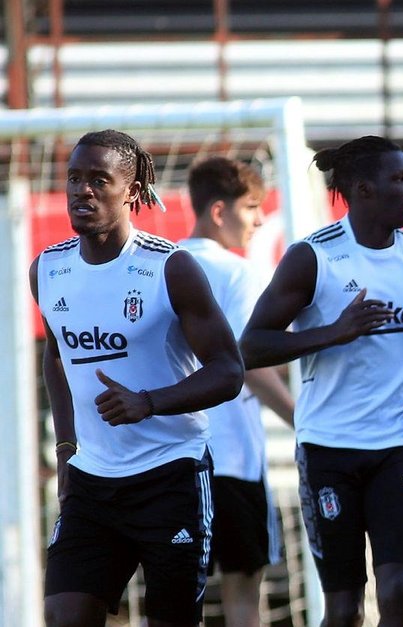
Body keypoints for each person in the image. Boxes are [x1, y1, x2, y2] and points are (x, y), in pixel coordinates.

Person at [34, 129, 244, 626]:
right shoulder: (48, 269)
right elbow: (57, 357)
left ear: (131, 191)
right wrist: (66, 451)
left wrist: (148, 402)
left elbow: (229, 371)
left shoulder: (170, 268)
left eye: (98, 180)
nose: (82, 191)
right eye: (74, 178)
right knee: (64, 615)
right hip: (92, 482)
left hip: (170, 475)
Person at [239, 136, 403, 627]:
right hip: (329, 449)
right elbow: (251, 346)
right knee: (345, 607)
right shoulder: (313, 257)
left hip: (398, 445)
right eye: (401, 179)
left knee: (399, 587)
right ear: (362, 189)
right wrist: (335, 332)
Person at [179, 157, 296, 627]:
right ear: (219, 212)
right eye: (252, 207)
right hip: (231, 459)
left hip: (173, 459)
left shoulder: (162, 265)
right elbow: (248, 364)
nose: (261, 220)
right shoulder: (237, 272)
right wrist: (303, 419)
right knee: (244, 592)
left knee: (174, 596)